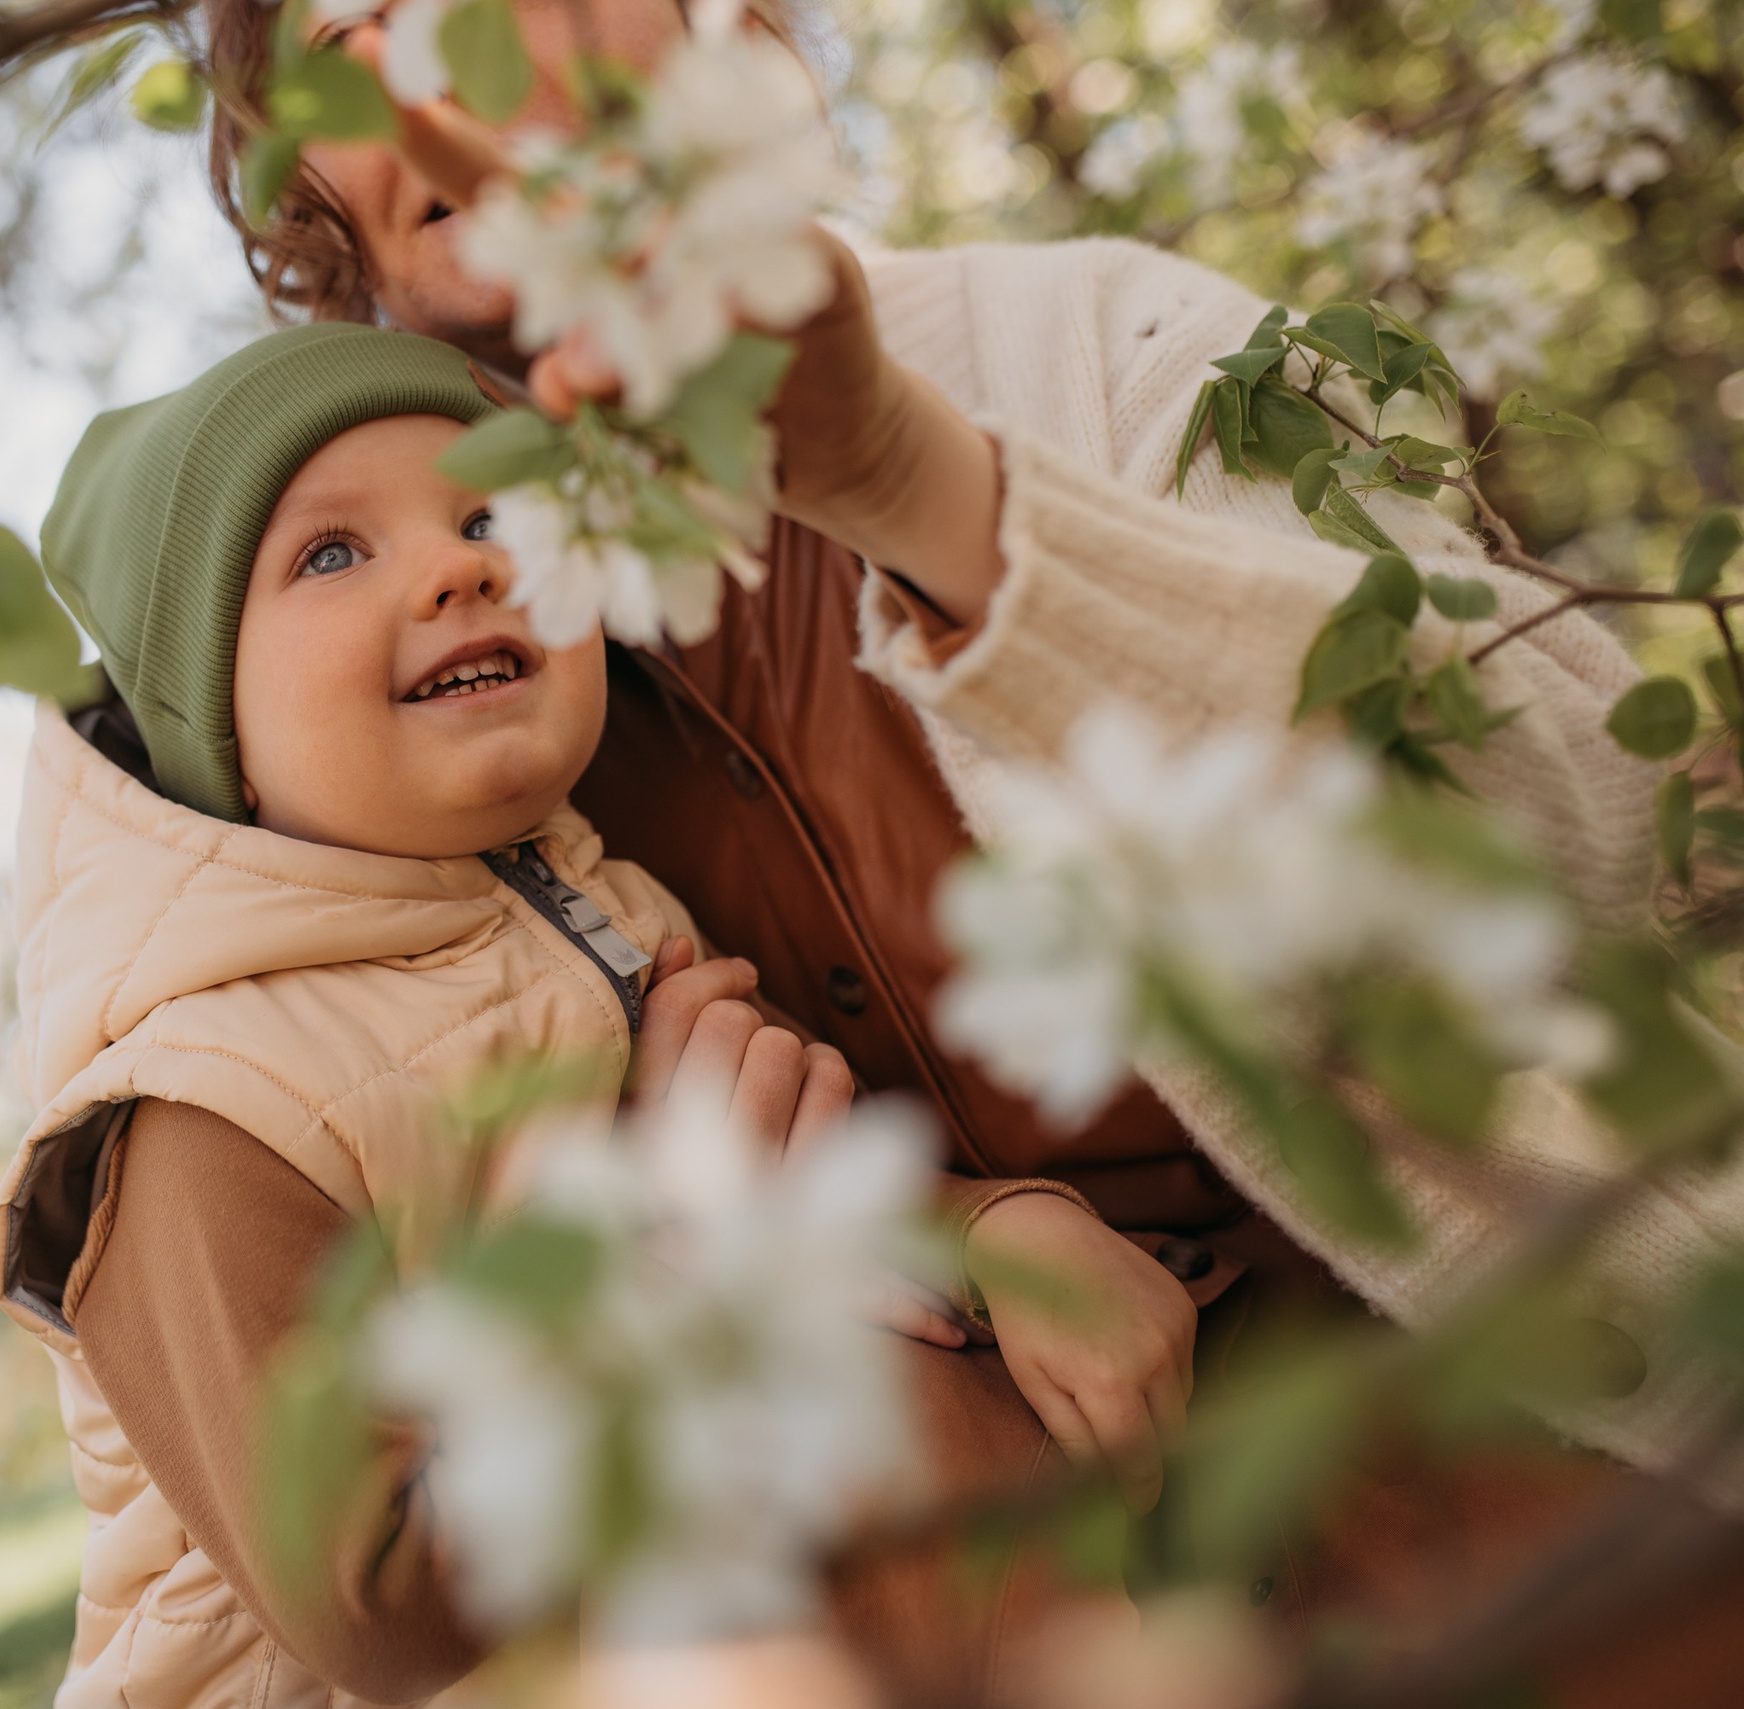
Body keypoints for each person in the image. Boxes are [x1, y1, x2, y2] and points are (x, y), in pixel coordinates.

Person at [170, 0, 1744, 1701]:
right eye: (360, 23)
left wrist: (922, 490)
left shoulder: (1103, 341)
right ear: (298, 173)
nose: (457, 58)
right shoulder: (328, 700)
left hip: (1590, 1471)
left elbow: (1587, 851)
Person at [0, 321, 1192, 1708]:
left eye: (496, 514)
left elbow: (805, 1179)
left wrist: (1001, 1232)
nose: (466, 563)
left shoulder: (597, 908)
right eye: (331, 551)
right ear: (214, 727)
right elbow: (373, 1605)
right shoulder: (204, 1109)